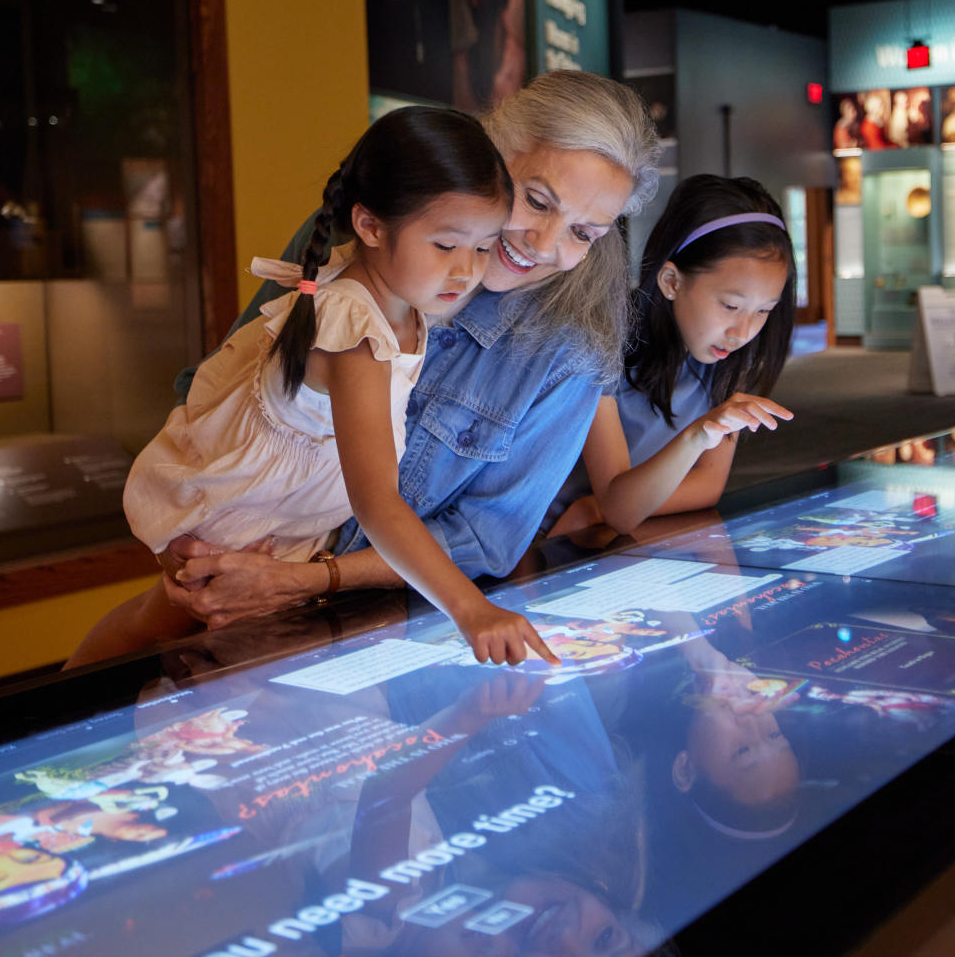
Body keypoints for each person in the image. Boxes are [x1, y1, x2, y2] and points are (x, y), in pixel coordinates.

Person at [158, 71, 665, 633]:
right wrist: (185, 531)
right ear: (493, 154)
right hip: (220, 544)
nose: (543, 245)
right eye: (537, 201)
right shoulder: (357, 241)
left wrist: (310, 577)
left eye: (584, 234)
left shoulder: (569, 354)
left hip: (374, 620)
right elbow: (222, 382)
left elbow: (485, 537)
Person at [70, 106, 558, 668]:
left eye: (483, 246)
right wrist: (472, 610)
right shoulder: (354, 330)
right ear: (371, 226)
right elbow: (377, 505)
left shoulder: (396, 301)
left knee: (161, 626)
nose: (466, 271)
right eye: (446, 245)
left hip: (287, 511)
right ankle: (51, 718)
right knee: (177, 638)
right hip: (245, 513)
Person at [546, 175, 796, 538]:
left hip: (612, 535)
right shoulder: (600, 348)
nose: (742, 332)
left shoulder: (727, 359)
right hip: (536, 546)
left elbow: (708, 486)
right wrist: (697, 436)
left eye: (763, 311)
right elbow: (622, 508)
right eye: (730, 305)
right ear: (671, 282)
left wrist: (596, 508)